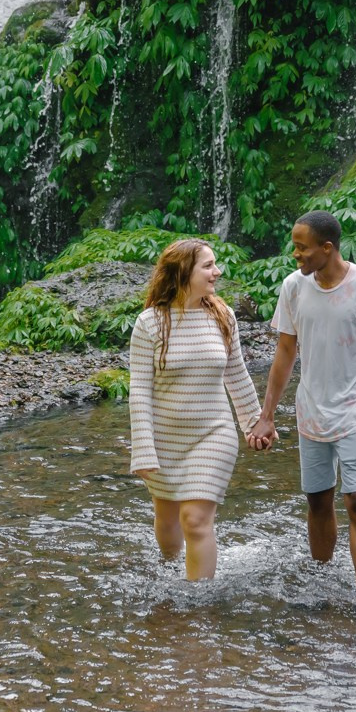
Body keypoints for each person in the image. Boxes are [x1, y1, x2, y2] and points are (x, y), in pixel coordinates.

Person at [245, 210, 356, 597]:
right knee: (317, 501)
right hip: (311, 411)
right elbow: (285, 353)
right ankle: (322, 581)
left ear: (327, 248)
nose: (295, 254)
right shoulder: (293, 287)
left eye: (302, 248)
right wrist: (266, 417)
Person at [127, 239, 262, 580]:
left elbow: (237, 374)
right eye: (208, 266)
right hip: (165, 438)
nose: (217, 271)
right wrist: (143, 449)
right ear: (184, 271)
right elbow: (139, 390)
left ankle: (198, 599)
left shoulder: (223, 315)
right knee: (167, 517)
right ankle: (170, 573)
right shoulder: (150, 322)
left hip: (213, 433)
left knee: (195, 520)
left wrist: (255, 423)